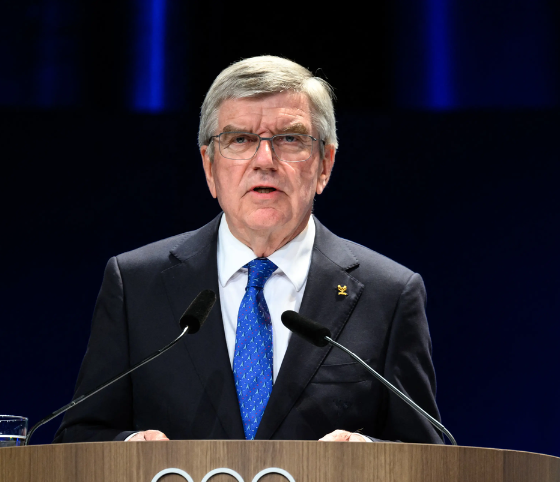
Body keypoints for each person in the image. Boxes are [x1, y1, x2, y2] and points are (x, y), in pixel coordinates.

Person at [53, 56, 442, 444]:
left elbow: (432, 460)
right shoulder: (136, 284)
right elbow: (79, 437)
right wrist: (126, 450)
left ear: (325, 163)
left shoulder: (388, 294)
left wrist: (373, 456)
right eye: (240, 139)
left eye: (290, 139)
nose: (264, 161)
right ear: (209, 166)